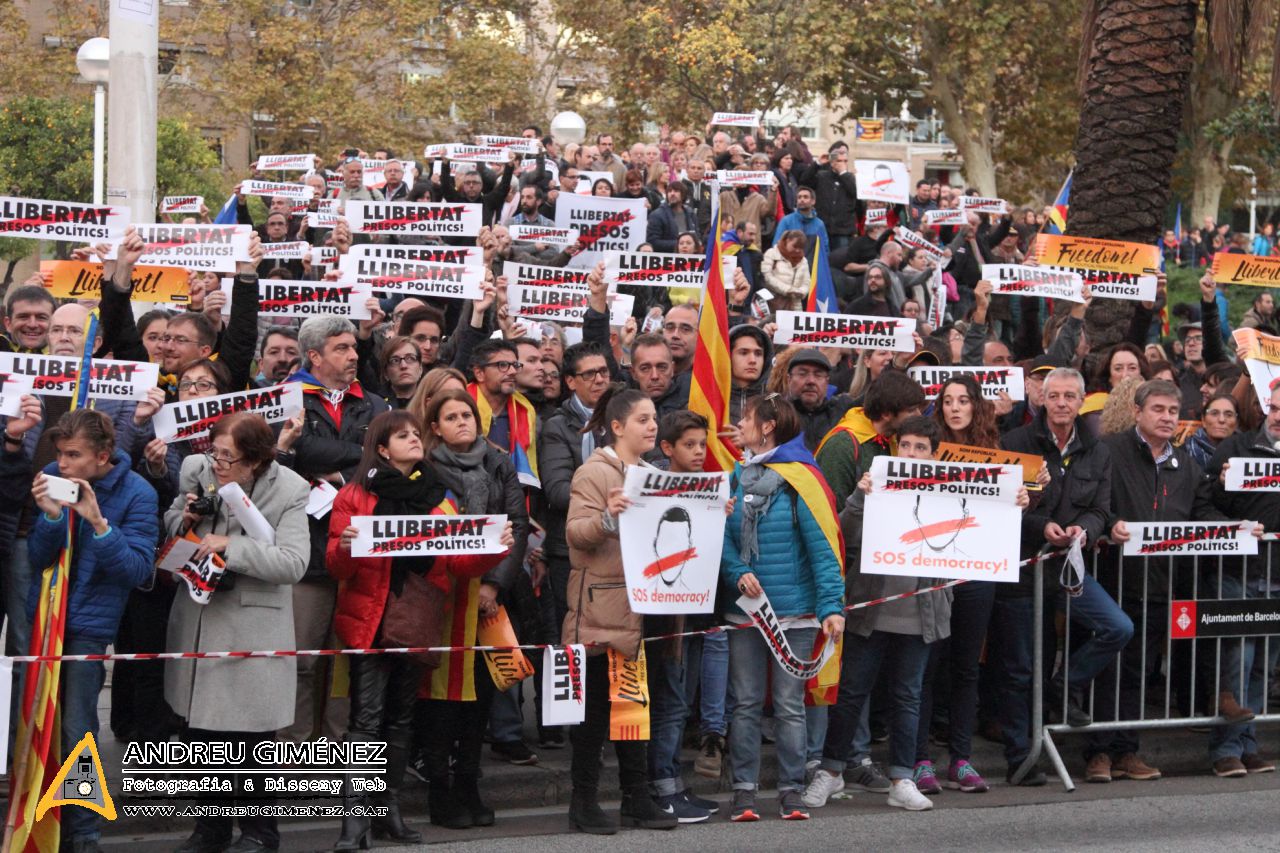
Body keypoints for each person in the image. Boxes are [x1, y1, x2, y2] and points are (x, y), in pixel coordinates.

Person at [1086, 379, 1248, 784]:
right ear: (1138, 411)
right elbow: (1091, 503)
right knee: (1110, 671)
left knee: (1140, 673)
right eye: (1158, 409)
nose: (1166, 417)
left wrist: (1236, 529)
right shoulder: (1110, 450)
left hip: (1161, 584)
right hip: (1112, 580)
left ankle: (1127, 751)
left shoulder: (1184, 464)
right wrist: (1109, 524)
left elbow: (1201, 511)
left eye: (1172, 411)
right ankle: (1098, 752)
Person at [165, 412, 310, 853]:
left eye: (229, 457)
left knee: (251, 741)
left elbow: (293, 563)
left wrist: (235, 547)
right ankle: (209, 829)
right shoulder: (198, 470)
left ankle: (260, 832)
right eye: (215, 452)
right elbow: (171, 524)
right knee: (201, 738)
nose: (218, 463)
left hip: (252, 624)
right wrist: (186, 519)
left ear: (256, 461)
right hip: (199, 617)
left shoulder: (290, 488)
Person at [804, 416, 963, 813]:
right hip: (871, 610)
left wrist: (1015, 502)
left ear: (935, 453)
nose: (910, 453)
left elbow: (985, 531)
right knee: (852, 692)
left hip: (921, 613)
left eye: (920, 447)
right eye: (905, 445)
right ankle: (831, 769)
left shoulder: (952, 491)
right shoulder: (875, 485)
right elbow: (842, 533)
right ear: (895, 448)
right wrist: (859, 499)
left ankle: (902, 778)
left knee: (907, 697)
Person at [18, 409, 157, 852]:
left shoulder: (138, 492)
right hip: (45, 619)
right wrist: (52, 518)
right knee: (37, 723)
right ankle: (36, 822)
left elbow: (135, 570)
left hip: (87, 628)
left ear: (102, 457)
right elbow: (38, 558)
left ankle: (85, 833)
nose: (62, 463)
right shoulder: (51, 476)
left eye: (73, 455)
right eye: (60, 453)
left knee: (78, 729)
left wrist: (98, 522)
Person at [997, 368, 1134, 785]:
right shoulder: (1017, 442)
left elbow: (1101, 509)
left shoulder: (1097, 449)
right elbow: (1003, 505)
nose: (1060, 403)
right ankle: (1022, 758)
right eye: (1053, 395)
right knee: (1022, 668)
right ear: (1041, 401)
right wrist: (1042, 527)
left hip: (1070, 568)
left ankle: (1064, 685)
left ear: (1080, 402)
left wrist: (1086, 530)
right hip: (1024, 566)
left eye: (1069, 396)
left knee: (1117, 627)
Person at [720, 394, 844, 822]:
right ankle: (743, 791)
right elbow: (721, 537)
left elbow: (823, 548)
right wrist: (737, 570)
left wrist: (832, 606)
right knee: (746, 702)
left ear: (768, 426)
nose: (740, 424)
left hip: (794, 613)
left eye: (747, 418)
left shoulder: (802, 479)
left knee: (791, 705)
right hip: (746, 611)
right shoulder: (735, 475)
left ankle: (791, 789)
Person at [913, 376, 1038, 796]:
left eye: (963, 400)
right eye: (947, 401)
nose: (954, 408)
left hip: (976, 574)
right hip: (931, 573)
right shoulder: (924, 451)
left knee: (966, 669)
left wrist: (1020, 499)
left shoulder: (996, 453)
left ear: (975, 406)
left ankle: (961, 761)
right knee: (927, 668)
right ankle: (920, 759)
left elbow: (1012, 503)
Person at [562, 385, 677, 835]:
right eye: (643, 420)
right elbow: (575, 533)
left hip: (639, 605)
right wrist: (607, 516)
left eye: (654, 418)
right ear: (616, 427)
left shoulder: (653, 472)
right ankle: (583, 802)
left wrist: (708, 510)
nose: (652, 426)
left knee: (632, 707)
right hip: (600, 606)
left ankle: (637, 797)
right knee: (592, 715)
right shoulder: (594, 473)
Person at [283, 315, 390, 742]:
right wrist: (361, 454)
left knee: (345, 665)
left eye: (353, 347)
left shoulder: (375, 404)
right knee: (303, 662)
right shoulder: (286, 397)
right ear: (314, 355)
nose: (353, 355)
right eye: (342, 348)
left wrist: (344, 470)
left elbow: (390, 459)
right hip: (305, 553)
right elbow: (295, 449)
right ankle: (291, 756)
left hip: (357, 551)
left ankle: (335, 754)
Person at [424, 389, 533, 768]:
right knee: (442, 691)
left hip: (491, 595)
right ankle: (441, 772)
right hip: (444, 591)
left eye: (467, 415)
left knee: (483, 690)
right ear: (436, 428)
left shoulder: (499, 462)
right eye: (451, 417)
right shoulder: (425, 467)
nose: (462, 422)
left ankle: (470, 778)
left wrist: (493, 583)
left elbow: (517, 524)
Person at [643, 411, 729, 823]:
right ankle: (662, 786)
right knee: (670, 703)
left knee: (681, 702)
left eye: (702, 444)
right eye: (689, 445)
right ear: (667, 448)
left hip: (698, 611)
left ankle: (674, 783)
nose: (699, 452)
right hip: (666, 619)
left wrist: (721, 515)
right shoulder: (649, 488)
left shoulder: (709, 488)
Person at [1205, 382, 1280, 776]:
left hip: (1277, 576)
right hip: (1238, 573)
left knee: (1263, 668)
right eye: (1276, 408)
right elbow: (1206, 502)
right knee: (1237, 662)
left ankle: (1248, 744)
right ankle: (1226, 750)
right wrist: (1221, 483)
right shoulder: (1236, 449)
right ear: (1266, 409)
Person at [815, 369, 925, 506]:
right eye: (911, 410)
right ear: (886, 413)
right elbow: (832, 510)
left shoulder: (894, 439)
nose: (919, 415)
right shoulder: (841, 446)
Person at [783, 349, 856, 452]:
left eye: (818, 375)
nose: (811, 381)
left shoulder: (843, 412)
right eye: (802, 374)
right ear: (789, 379)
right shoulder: (776, 414)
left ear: (827, 381)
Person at [761, 229, 811, 313]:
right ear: (787, 241)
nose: (798, 250)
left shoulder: (804, 261)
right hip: (773, 304)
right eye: (795, 246)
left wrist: (801, 292)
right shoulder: (771, 254)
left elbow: (807, 282)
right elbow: (766, 277)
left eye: (801, 247)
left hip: (795, 306)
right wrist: (787, 290)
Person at [1187, 392, 1239, 469]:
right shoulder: (1183, 452)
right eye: (1214, 413)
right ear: (1203, 420)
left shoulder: (1247, 453)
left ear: (1237, 423)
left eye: (1229, 415)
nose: (1221, 420)